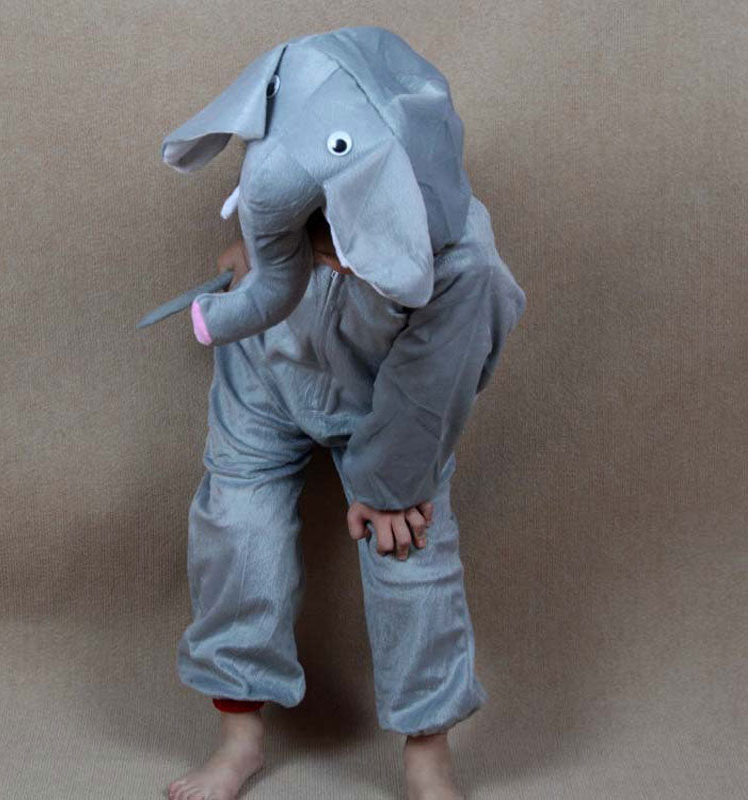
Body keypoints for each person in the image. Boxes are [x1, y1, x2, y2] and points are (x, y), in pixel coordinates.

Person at [166, 204, 526, 800]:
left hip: (393, 403)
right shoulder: (299, 162)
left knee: (409, 549)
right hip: (267, 365)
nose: (337, 264)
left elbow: (446, 375)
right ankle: (239, 736)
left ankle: (427, 755)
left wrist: (393, 483)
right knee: (237, 531)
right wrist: (256, 248)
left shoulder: (466, 262)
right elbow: (272, 180)